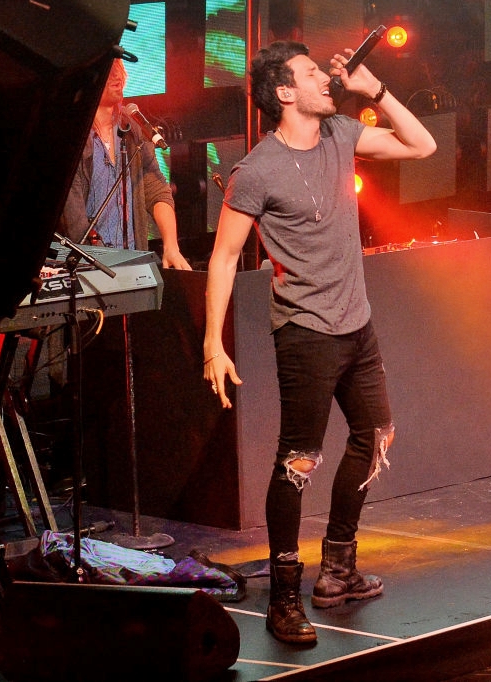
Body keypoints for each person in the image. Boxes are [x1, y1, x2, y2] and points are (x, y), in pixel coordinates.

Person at [202, 41, 436, 645]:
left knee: (374, 435)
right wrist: (212, 344)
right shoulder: (256, 170)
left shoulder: (339, 133)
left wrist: (375, 90)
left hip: (357, 323)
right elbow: (224, 258)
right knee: (297, 461)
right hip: (305, 331)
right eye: (311, 74)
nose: (325, 79)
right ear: (285, 93)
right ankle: (284, 597)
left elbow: (422, 145)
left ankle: (337, 570)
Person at [59, 58, 191, 270]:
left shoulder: (132, 129)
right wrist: (101, 265)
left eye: (119, 67)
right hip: (88, 265)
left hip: (132, 260)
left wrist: (171, 246)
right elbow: (74, 221)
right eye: (109, 68)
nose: (117, 75)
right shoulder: (72, 137)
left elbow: (157, 189)